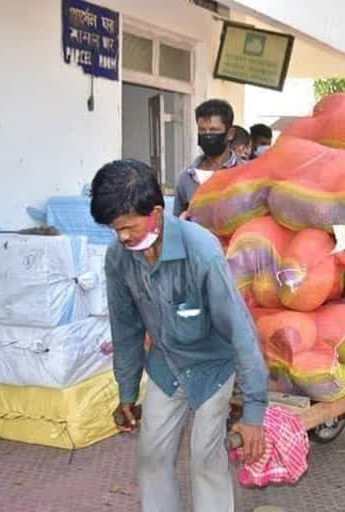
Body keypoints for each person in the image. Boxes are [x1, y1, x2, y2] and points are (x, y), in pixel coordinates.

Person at [90, 159, 267, 512]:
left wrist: (253, 412)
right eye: (115, 229)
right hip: (166, 365)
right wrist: (126, 392)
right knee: (151, 455)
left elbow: (240, 331)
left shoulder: (201, 250)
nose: (122, 236)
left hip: (213, 367)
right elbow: (125, 330)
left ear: (155, 212)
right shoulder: (119, 259)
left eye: (127, 226)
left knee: (205, 458)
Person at [174, 99, 243, 217]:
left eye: (214, 130)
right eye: (202, 130)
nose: (207, 135)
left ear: (230, 133)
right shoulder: (186, 177)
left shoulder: (245, 172)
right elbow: (178, 220)